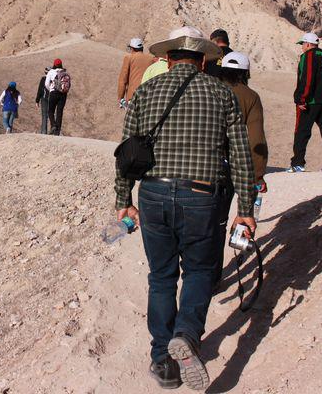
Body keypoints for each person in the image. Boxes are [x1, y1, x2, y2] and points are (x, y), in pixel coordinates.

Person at [115, 26, 255, 391]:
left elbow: (127, 154)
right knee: (198, 270)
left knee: (161, 277)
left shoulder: (145, 91)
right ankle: (188, 334)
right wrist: (246, 207)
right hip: (202, 195)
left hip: (154, 194)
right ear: (204, 60)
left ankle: (162, 360)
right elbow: (240, 155)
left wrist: (123, 202)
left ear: (167, 58)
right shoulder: (222, 93)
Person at [213, 51, 269, 284]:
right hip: (237, 166)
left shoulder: (209, 89)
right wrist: (258, 175)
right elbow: (256, 139)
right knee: (230, 219)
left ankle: (206, 275)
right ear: (246, 72)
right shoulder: (251, 97)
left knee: (212, 222)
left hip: (210, 165)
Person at [289, 32, 322, 173]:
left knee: (302, 131)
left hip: (311, 101)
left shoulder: (309, 56)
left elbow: (307, 78)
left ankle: (298, 163)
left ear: (307, 44)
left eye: (302, 45)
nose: (302, 48)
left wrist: (301, 98)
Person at [117, 37, 155, 107]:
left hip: (133, 97)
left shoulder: (129, 58)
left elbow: (123, 80)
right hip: (148, 96)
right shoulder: (151, 59)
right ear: (142, 48)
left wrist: (120, 98)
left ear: (132, 48)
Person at [45, 59, 70, 136]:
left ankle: (53, 125)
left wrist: (51, 90)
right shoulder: (65, 72)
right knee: (59, 112)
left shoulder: (51, 72)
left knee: (50, 111)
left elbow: (46, 84)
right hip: (63, 94)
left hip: (54, 93)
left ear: (54, 64)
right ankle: (57, 132)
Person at [35, 68, 50, 134]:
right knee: (52, 115)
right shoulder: (53, 79)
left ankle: (44, 132)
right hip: (52, 99)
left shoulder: (43, 79)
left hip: (44, 99)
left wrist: (37, 100)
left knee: (44, 115)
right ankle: (54, 132)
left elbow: (40, 90)